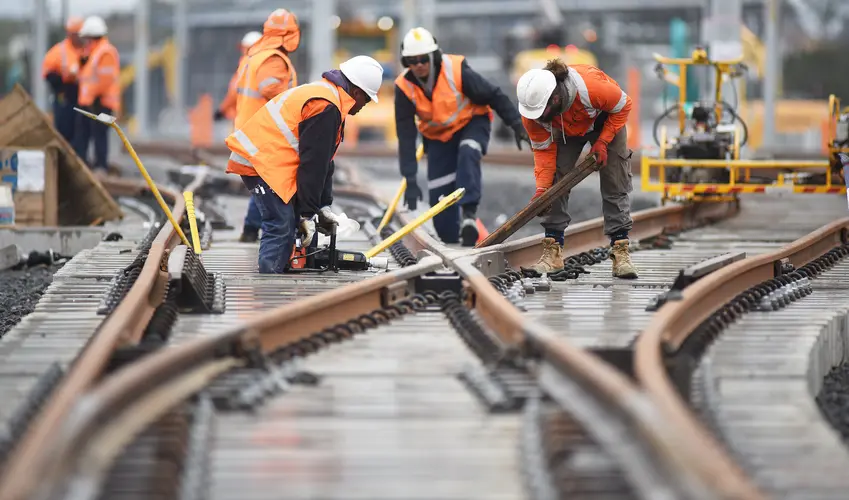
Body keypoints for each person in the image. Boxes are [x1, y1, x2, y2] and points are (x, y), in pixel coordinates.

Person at [225, 55, 383, 274]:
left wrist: (322, 206)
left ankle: (280, 269)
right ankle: (270, 281)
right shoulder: (326, 106)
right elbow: (313, 165)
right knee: (280, 225)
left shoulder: (330, 98)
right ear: (357, 92)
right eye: (366, 100)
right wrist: (307, 214)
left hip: (271, 161)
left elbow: (325, 160)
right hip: (262, 162)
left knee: (287, 223)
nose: (364, 106)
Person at [394, 27, 530, 246]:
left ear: (433, 56)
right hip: (439, 139)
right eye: (412, 60)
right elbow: (406, 136)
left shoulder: (456, 70)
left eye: (423, 59)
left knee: (469, 151)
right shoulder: (404, 87)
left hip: (472, 124)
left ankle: (469, 214)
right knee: (445, 227)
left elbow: (494, 94)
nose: (418, 64)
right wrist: (410, 180)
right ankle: (459, 231)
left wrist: (516, 124)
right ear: (406, 61)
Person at [515, 58, 638, 279]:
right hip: (565, 129)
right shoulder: (534, 114)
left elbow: (623, 105)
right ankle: (552, 254)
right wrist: (543, 192)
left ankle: (621, 252)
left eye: (542, 112)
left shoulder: (591, 88)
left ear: (555, 98)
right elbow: (543, 154)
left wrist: (602, 142)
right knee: (554, 181)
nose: (539, 118)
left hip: (605, 121)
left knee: (614, 179)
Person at [225, 9, 301, 244]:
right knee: (272, 187)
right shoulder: (273, 59)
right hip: (265, 135)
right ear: (290, 35)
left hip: (253, 131)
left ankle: (252, 231)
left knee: (265, 186)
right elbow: (271, 89)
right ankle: (269, 248)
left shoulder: (256, 55)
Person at [73, 15, 120, 173]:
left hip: (101, 103)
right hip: (89, 103)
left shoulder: (105, 52)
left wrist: (94, 98)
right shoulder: (93, 52)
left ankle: (101, 167)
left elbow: (104, 80)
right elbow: (87, 78)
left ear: (92, 37)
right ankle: (85, 165)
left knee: (99, 135)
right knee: (84, 135)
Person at [42, 16, 84, 144]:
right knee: (64, 131)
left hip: (83, 97)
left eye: (78, 33)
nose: (76, 36)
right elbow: (47, 73)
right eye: (73, 33)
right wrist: (61, 84)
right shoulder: (59, 51)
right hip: (64, 96)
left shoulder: (87, 51)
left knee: (81, 134)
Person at [214, 31, 262, 124]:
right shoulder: (264, 64)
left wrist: (222, 110)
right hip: (258, 119)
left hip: (243, 119)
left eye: (244, 48)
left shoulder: (245, 65)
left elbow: (234, 92)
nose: (242, 51)